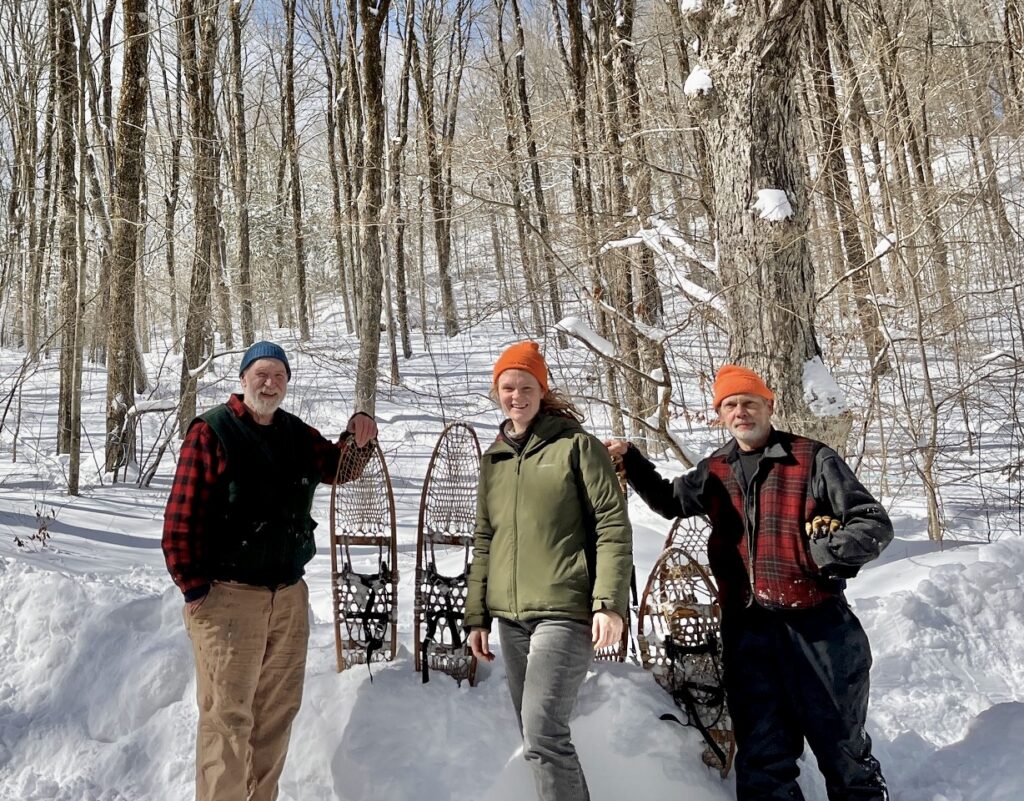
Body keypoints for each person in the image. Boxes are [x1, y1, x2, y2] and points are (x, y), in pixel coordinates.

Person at [605, 364, 892, 801]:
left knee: (843, 751)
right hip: (748, 633)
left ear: (769, 406)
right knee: (762, 758)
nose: (741, 412)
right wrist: (631, 459)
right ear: (721, 414)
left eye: (749, 403)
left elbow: (872, 524)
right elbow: (669, 501)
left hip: (818, 630)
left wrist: (815, 556)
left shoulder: (812, 458)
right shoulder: (716, 469)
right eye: (730, 405)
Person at [162, 341, 378, 801]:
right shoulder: (212, 431)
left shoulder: (295, 434)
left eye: (279, 375)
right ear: (243, 379)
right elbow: (180, 520)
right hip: (228, 598)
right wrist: (195, 588)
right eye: (261, 373)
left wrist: (359, 437)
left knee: (276, 716)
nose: (270, 382)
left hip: (288, 598)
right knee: (227, 718)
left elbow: (339, 467)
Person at [465, 341, 633, 801]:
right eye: (507, 387)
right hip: (511, 619)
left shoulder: (577, 446)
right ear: (496, 392)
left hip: (564, 610)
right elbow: (485, 540)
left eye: (525, 386)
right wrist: (476, 615)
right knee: (536, 738)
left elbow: (612, 525)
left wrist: (609, 604)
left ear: (543, 390)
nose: (515, 395)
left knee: (543, 732)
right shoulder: (494, 459)